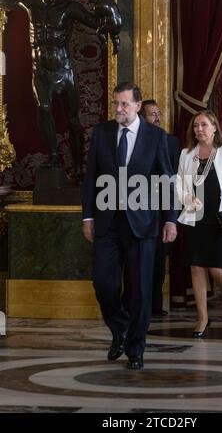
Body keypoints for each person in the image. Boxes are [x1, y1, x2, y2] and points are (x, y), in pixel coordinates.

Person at [82, 82, 177, 370]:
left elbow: (167, 182)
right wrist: (88, 217)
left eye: (124, 104)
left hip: (144, 224)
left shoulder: (156, 137)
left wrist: (170, 219)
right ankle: (120, 328)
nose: (119, 109)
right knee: (103, 282)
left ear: (137, 106)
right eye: (116, 104)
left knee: (139, 290)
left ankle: (136, 348)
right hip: (108, 223)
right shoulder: (102, 133)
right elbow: (91, 178)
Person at [0, 0, 122, 181]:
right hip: (41, 71)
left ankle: (78, 168)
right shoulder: (30, 3)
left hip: (64, 70)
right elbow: (5, 0)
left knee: (73, 120)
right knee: (44, 108)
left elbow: (96, 23)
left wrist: (107, 5)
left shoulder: (69, 7)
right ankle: (54, 157)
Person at [176, 110, 222, 338]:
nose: (199, 129)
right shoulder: (187, 154)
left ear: (215, 127)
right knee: (196, 267)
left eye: (204, 125)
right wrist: (187, 198)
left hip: (221, 218)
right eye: (196, 125)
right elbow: (179, 185)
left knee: (217, 269)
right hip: (195, 217)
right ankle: (202, 318)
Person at [140, 100, 180, 316]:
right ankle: (133, 303)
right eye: (151, 114)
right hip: (137, 206)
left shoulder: (171, 141)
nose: (157, 117)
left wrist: (171, 215)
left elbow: (173, 177)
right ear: (142, 117)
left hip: (162, 207)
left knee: (158, 259)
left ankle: (155, 304)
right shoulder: (135, 139)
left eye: (158, 113)